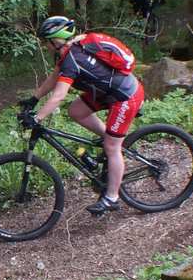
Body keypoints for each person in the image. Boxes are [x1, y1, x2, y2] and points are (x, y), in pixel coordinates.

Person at [22, 16, 145, 215]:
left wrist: (36, 118)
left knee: (112, 147)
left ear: (56, 40)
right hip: (107, 93)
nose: (45, 46)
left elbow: (59, 96)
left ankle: (112, 197)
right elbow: (54, 79)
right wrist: (33, 99)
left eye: (46, 42)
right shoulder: (67, 54)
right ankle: (110, 138)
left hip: (125, 96)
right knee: (76, 111)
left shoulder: (73, 59)